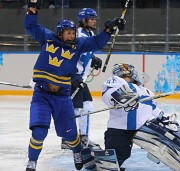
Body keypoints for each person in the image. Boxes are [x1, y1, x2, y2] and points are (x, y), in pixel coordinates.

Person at [24, 0, 126, 170]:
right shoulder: (47, 38)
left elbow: (97, 42)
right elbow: (31, 25)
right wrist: (32, 9)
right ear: (59, 33)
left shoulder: (78, 45)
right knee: (39, 132)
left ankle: (77, 151)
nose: (72, 36)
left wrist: (108, 29)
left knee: (71, 136)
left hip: (62, 97)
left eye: (73, 33)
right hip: (41, 96)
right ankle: (32, 161)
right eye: (69, 33)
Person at [101, 63, 180, 170]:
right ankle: (92, 157)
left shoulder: (147, 92)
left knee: (169, 141)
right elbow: (108, 95)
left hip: (145, 127)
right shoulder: (117, 81)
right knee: (117, 159)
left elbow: (156, 111)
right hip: (119, 128)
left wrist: (167, 123)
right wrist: (122, 97)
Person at [61, 8, 102, 150]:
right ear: (84, 20)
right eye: (92, 18)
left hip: (80, 78)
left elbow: (85, 51)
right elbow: (69, 53)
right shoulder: (77, 34)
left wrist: (93, 58)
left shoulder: (89, 33)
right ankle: (68, 139)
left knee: (86, 106)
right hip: (72, 77)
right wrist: (73, 74)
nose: (94, 20)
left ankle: (83, 138)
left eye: (95, 18)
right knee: (74, 109)